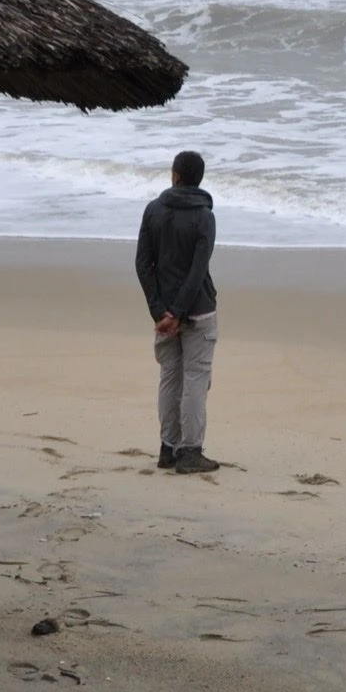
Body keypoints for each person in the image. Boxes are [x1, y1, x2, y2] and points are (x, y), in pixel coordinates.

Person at [135, 150, 219, 473]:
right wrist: (178, 312)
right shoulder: (205, 217)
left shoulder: (153, 210)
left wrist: (161, 312)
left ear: (175, 176)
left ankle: (168, 448)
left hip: (164, 314)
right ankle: (191, 451)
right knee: (196, 378)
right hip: (198, 310)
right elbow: (198, 271)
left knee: (170, 378)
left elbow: (143, 265)